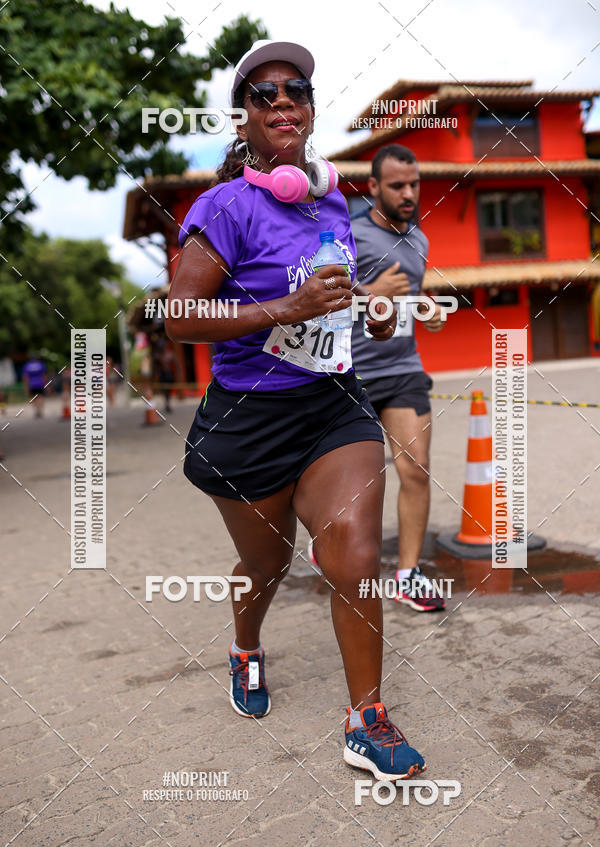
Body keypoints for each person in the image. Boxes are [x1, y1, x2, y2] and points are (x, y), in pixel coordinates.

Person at [166, 40, 426, 781]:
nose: (282, 101)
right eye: (263, 93)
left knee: (355, 551)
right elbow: (179, 317)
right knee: (267, 561)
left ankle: (365, 721)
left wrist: (371, 315)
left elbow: (334, 307)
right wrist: (286, 304)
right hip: (248, 419)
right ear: (244, 117)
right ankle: (245, 645)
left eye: (297, 92)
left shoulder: (331, 198)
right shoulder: (224, 207)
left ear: (310, 112)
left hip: (332, 402)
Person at [350, 145, 447, 613]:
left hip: (403, 368)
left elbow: (409, 299)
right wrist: (371, 292)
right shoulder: (349, 232)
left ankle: (408, 575)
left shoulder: (420, 240)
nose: (408, 194)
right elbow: (316, 294)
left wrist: (424, 310)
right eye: (396, 186)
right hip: (351, 374)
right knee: (358, 484)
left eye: (414, 185)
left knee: (416, 468)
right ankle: (330, 546)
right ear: (373, 188)